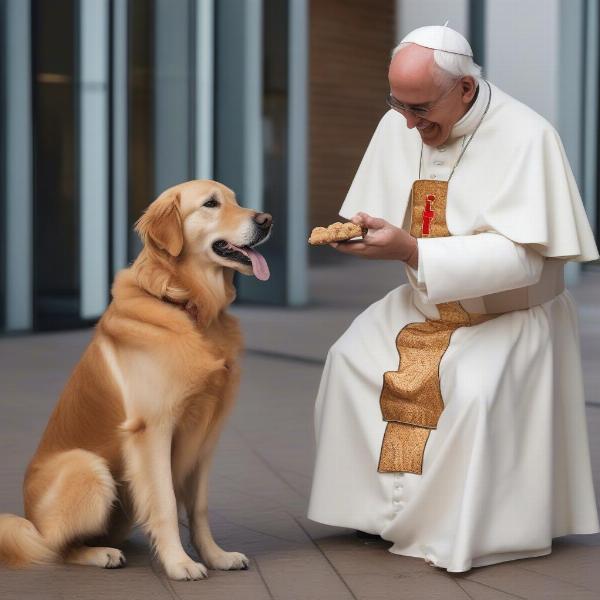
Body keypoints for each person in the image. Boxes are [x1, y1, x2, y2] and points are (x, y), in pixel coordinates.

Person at [307, 25, 600, 573]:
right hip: (423, 305)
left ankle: (465, 524)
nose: (409, 123)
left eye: (420, 108)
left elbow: (528, 259)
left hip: (509, 314)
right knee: (349, 361)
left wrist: (415, 252)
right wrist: (369, 237)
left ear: (465, 88)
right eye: (397, 104)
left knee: (474, 392)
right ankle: (377, 515)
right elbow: (382, 213)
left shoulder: (527, 136)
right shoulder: (403, 120)